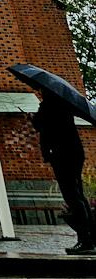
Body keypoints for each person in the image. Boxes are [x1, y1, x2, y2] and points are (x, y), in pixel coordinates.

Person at [32, 91, 94, 254]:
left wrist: (34, 118)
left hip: (63, 154)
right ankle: (89, 238)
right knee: (78, 195)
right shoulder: (63, 104)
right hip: (72, 153)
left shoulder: (50, 105)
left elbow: (43, 124)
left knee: (73, 197)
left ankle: (86, 241)